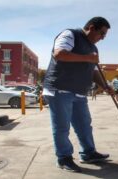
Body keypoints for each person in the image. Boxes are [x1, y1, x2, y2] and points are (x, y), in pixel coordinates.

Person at [42, 17, 112, 173]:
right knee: (62, 127)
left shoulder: (93, 48)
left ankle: (88, 153)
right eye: (101, 33)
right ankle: (64, 158)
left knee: (84, 125)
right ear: (91, 28)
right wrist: (88, 57)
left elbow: (93, 72)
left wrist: (105, 86)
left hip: (79, 92)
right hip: (59, 89)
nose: (102, 38)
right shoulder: (70, 35)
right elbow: (59, 54)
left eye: (105, 35)